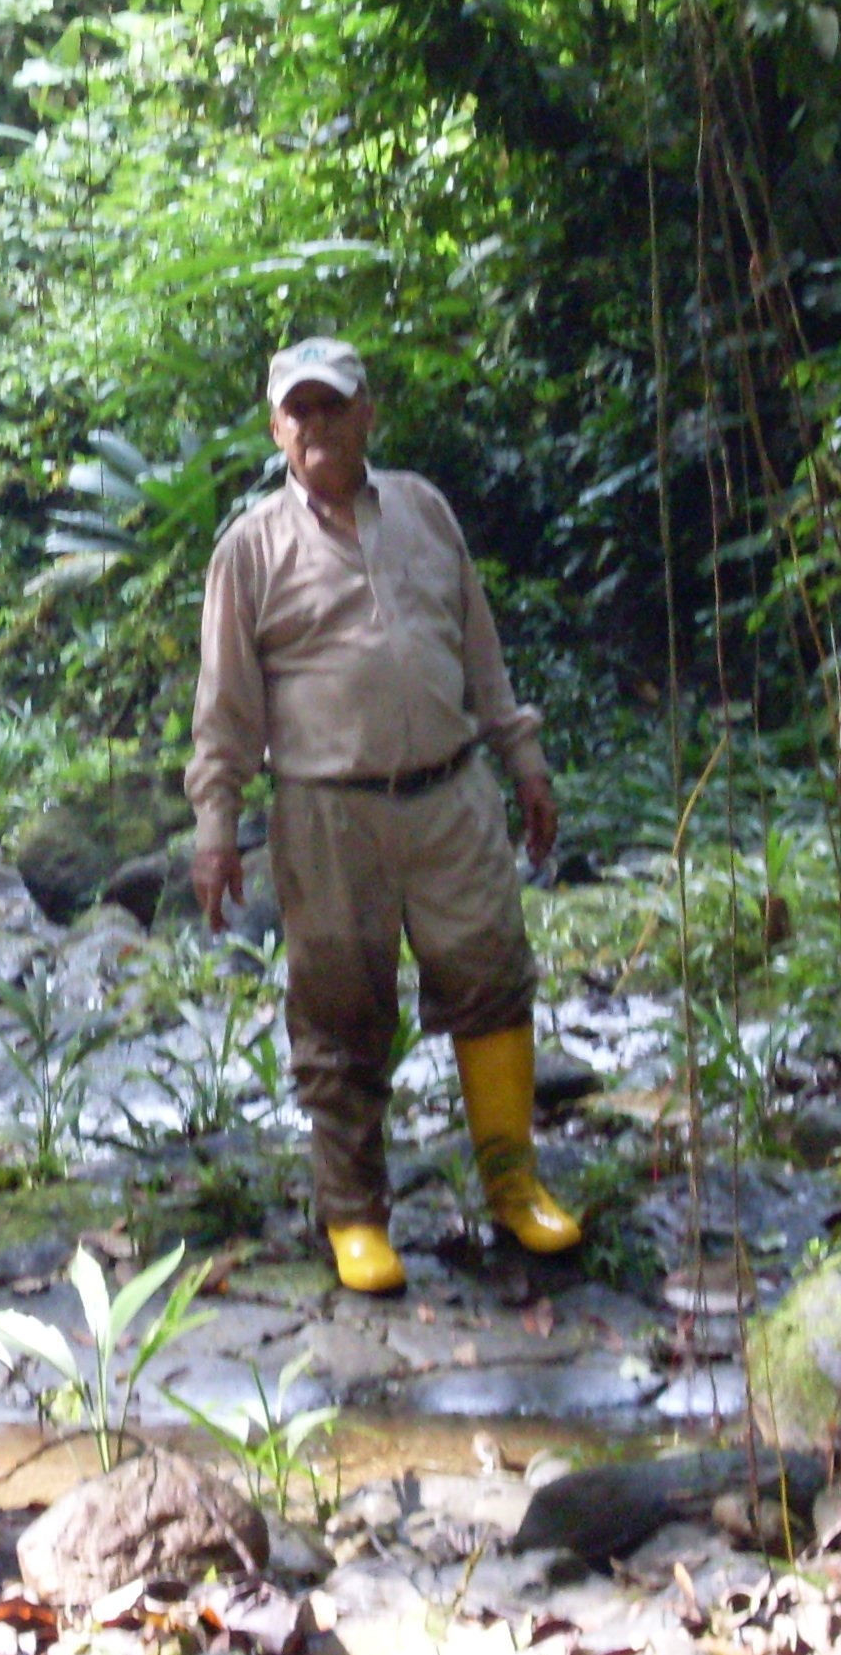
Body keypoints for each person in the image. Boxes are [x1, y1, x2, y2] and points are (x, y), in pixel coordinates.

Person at [188, 336, 579, 1294]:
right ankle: (356, 1215)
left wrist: (523, 759)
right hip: (326, 813)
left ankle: (513, 1186)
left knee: (493, 977)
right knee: (340, 1012)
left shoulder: (424, 509)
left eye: (334, 405)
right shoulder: (250, 548)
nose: (318, 424)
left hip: (451, 792)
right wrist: (215, 826)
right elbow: (225, 707)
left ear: (368, 413)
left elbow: (478, 648)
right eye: (300, 411)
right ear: (277, 429)